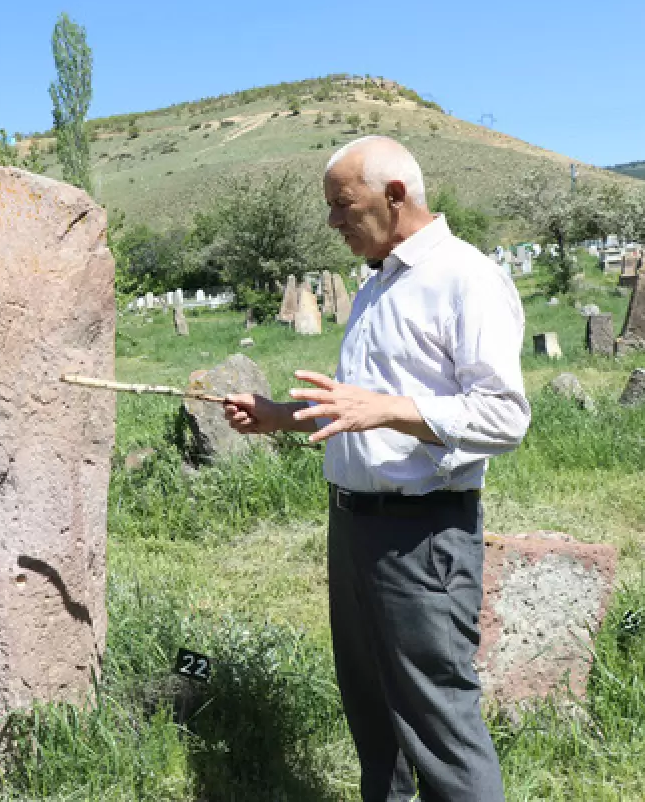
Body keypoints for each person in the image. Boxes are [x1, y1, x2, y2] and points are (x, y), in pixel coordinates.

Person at [224, 136, 529, 801]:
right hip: (354, 530)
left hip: (423, 536)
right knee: (375, 726)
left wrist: (386, 408)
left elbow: (505, 416)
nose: (332, 221)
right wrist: (280, 417)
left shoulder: (465, 276)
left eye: (342, 204)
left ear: (395, 197)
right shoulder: (376, 285)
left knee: (440, 729)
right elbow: (356, 411)